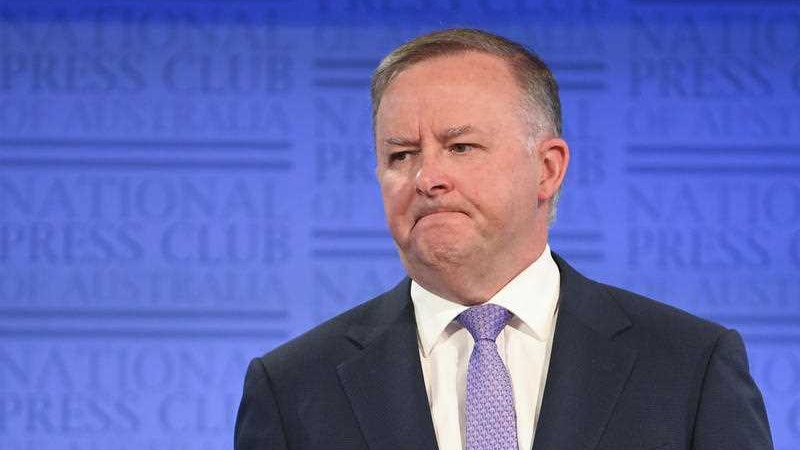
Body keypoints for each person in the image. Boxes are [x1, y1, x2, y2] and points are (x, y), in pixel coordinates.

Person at [234, 28, 773, 450]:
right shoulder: (292, 389)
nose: (428, 178)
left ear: (547, 168)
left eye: (461, 147)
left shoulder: (690, 366)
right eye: (401, 155)